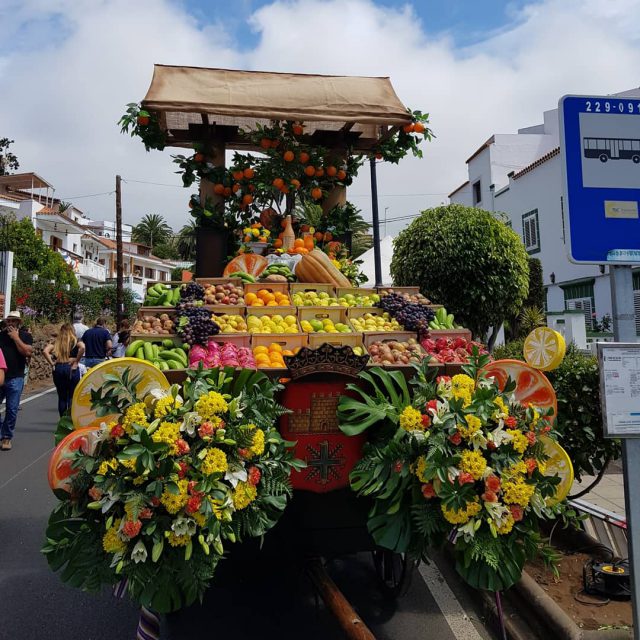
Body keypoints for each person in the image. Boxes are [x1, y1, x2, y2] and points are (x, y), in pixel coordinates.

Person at [0, 311, 33, 451]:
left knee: (12, 409)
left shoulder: (26, 336)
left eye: (14, 321)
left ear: (19, 322)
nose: (11, 323)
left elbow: (28, 352)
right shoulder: (0, 335)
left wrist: (16, 338)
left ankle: (7, 437)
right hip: (1, 376)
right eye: (9, 321)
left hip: (16, 377)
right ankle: (3, 429)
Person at [43, 323, 85, 417]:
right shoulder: (75, 340)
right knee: (71, 396)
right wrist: (76, 361)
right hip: (71, 367)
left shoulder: (57, 341)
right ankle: (70, 420)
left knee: (62, 397)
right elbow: (82, 347)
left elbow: (45, 351)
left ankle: (62, 420)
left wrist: (52, 363)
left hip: (59, 367)